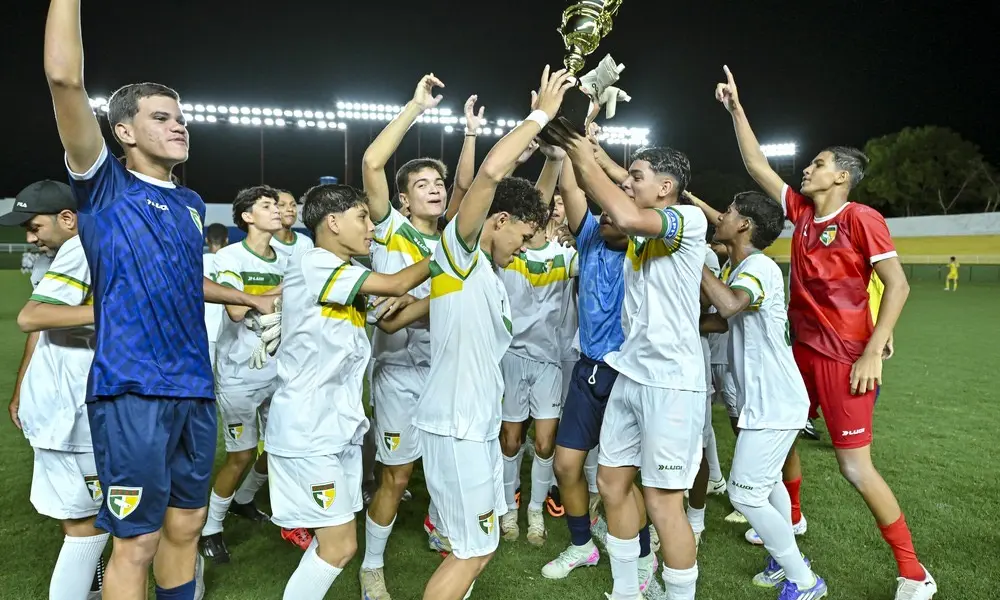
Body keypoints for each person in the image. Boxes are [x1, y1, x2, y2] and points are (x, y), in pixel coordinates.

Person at [44, 2, 276, 598]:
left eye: (182, 118)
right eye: (162, 117)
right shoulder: (105, 186)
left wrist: (244, 297)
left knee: (186, 528)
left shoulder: (191, 203)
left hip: (193, 387)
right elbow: (64, 79)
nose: (180, 127)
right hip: (133, 389)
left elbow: (182, 279)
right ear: (123, 131)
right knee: (137, 543)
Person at [715, 64, 935, 600]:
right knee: (781, 435)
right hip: (802, 355)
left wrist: (873, 350)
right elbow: (757, 164)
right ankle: (790, 523)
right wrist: (737, 109)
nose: (808, 169)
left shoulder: (861, 218)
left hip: (845, 359)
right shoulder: (801, 214)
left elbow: (898, 285)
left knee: (855, 468)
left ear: (841, 177)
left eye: (818, 164)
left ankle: (914, 573)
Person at [412, 65, 569, 600]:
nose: (524, 247)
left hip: (473, 425)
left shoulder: (488, 270)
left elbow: (526, 204)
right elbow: (490, 176)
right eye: (521, 237)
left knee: (477, 548)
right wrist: (539, 116)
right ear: (497, 222)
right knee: (471, 550)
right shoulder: (460, 254)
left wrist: (553, 159)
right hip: (456, 426)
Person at [552, 121, 708, 600]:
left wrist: (580, 150)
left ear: (665, 187)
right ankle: (626, 592)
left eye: (637, 177)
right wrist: (581, 145)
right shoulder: (638, 231)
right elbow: (612, 201)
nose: (627, 184)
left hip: (671, 382)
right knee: (611, 482)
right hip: (630, 372)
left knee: (662, 504)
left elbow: (624, 211)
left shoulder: (686, 220)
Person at [265, 183, 433, 600]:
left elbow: (389, 310)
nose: (371, 228)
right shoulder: (318, 262)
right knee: (340, 546)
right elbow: (395, 283)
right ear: (333, 222)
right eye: (362, 218)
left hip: (336, 428)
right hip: (309, 431)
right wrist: (452, 254)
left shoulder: (342, 274)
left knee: (335, 545)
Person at [358, 75, 486, 596]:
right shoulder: (392, 228)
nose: (435, 189)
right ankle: (371, 564)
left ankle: (446, 533)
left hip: (445, 371)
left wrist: (470, 135)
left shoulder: (455, 240)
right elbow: (372, 163)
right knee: (397, 474)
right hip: (397, 372)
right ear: (404, 201)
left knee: (444, 471)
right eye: (422, 185)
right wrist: (415, 107)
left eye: (438, 183)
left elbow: (468, 189)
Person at [699, 191, 828, 599]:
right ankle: (782, 561)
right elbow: (722, 322)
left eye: (729, 212)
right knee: (768, 483)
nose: (721, 217)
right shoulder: (743, 266)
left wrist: (688, 257)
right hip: (769, 398)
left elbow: (729, 306)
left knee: (745, 493)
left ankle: (804, 581)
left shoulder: (757, 266)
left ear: (744, 225)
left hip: (775, 400)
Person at [541, 154, 659, 594]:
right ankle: (582, 545)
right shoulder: (589, 237)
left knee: (620, 479)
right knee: (566, 464)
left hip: (626, 375)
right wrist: (566, 151)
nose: (607, 214)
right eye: (604, 208)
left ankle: (644, 556)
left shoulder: (645, 249)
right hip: (587, 369)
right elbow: (572, 189)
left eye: (617, 208)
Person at [3, 180, 106, 600]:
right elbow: (35, 320)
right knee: (88, 523)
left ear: (67, 218)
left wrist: (21, 390)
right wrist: (116, 311)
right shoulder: (77, 251)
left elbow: (38, 325)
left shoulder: (77, 251)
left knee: (80, 516)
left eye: (34, 227)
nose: (31, 238)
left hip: (65, 406)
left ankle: (93, 589)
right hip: (67, 409)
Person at [199, 186, 286, 564]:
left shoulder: (285, 258)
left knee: (280, 447)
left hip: (278, 370)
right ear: (247, 217)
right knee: (241, 454)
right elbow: (235, 311)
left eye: (276, 204)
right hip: (238, 373)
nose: (276, 210)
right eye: (266, 205)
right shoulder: (231, 256)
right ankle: (211, 528)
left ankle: (245, 498)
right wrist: (285, 288)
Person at [497, 143, 576, 546]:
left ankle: (534, 511)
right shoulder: (510, 252)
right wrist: (554, 160)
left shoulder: (565, 257)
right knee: (510, 440)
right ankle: (508, 508)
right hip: (511, 357)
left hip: (548, 361)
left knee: (545, 443)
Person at [203, 223, 229, 370]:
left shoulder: (197, 261)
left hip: (204, 329)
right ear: (227, 240)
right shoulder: (231, 262)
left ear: (206, 240)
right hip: (227, 330)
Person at [271, 189, 314, 262]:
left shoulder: (306, 243)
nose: (290, 209)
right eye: (282, 205)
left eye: (293, 205)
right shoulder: (264, 243)